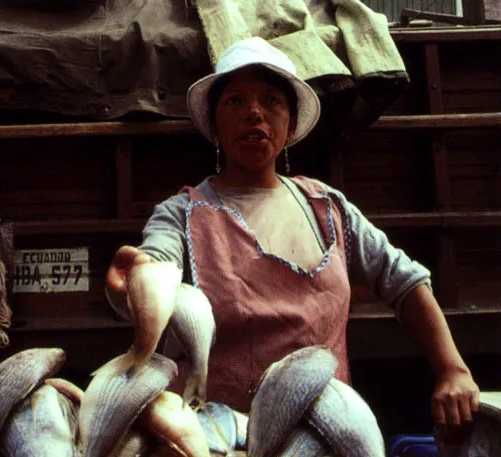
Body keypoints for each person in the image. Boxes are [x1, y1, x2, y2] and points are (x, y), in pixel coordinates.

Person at [105, 37, 479, 433]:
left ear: (291, 123)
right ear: (214, 124)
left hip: (323, 435)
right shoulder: (181, 213)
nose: (254, 113)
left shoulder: (329, 208)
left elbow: (406, 283)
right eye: (235, 101)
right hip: (215, 440)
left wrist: (453, 369)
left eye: (271, 101)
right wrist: (133, 281)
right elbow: (155, 269)